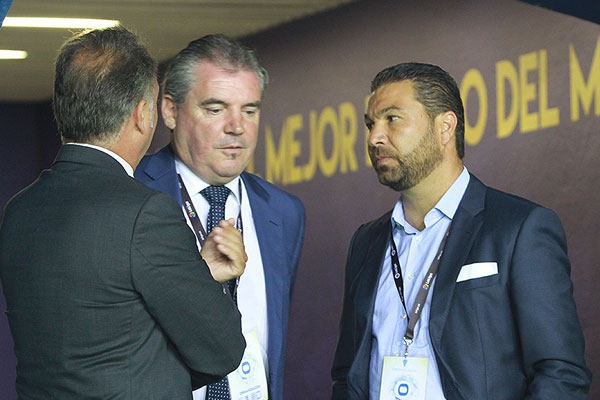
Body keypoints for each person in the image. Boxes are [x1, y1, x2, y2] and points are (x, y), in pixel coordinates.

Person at [0, 26, 247, 399]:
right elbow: (222, 349)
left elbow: (99, 334)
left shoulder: (19, 212)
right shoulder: (144, 213)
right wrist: (210, 284)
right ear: (144, 113)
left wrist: (196, 275)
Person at [331, 62, 591, 399]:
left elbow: (560, 373)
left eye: (392, 119)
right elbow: (346, 374)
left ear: (444, 127)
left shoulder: (519, 227)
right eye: (370, 123)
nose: (374, 137)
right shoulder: (367, 241)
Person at [135, 34, 305, 400]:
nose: (237, 127)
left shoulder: (284, 212)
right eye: (215, 109)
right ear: (169, 110)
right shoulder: (128, 194)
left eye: (250, 110)